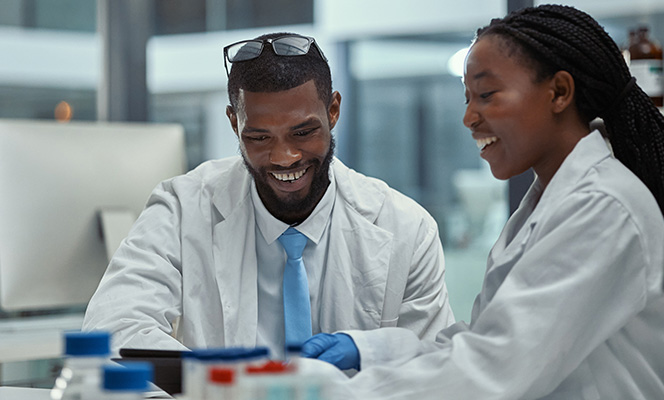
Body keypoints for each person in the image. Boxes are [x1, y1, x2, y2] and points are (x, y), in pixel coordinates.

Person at [301, 5, 664, 399]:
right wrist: (372, 351)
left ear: (559, 92)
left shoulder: (603, 206)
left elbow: (495, 367)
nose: (469, 118)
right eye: (467, 98)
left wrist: (329, 393)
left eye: (487, 94)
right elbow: (484, 340)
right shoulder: (548, 203)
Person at [82, 32, 454, 358]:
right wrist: (223, 381)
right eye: (259, 138)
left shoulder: (407, 228)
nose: (284, 157)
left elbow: (434, 364)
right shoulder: (182, 209)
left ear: (334, 110)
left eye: (303, 133)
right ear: (234, 122)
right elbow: (114, 327)